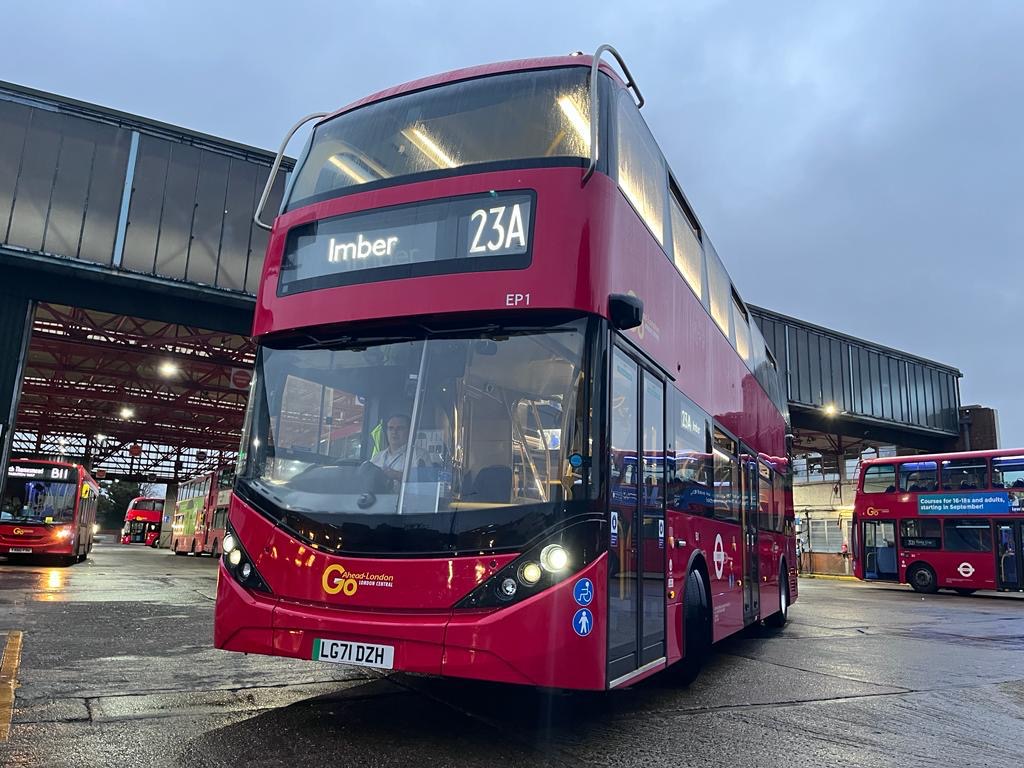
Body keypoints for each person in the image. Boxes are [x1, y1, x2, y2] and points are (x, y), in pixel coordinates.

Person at [370, 413, 427, 483]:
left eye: (400, 428)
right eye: (391, 428)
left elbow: (425, 482)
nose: (394, 432)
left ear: (410, 432)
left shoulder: (419, 455)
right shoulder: (377, 457)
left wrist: (397, 475)